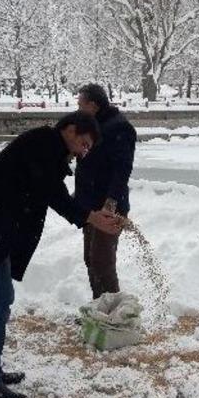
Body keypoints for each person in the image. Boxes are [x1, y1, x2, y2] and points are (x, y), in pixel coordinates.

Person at [0, 112, 122, 398]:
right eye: (83, 144)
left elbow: (50, 191)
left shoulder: (48, 147)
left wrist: (88, 214)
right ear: (70, 130)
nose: (82, 152)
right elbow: (52, 192)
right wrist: (88, 217)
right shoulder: (44, 144)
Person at [75, 84, 136, 299]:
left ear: (93, 105)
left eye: (80, 104)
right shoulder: (93, 125)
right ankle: (99, 309)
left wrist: (111, 203)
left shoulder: (119, 128)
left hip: (109, 206)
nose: (78, 108)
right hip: (90, 205)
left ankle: (114, 316)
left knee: (102, 262)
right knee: (91, 259)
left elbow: (122, 169)